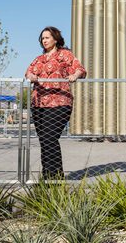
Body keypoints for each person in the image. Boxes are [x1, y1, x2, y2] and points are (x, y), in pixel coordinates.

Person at [25, 26, 86, 179]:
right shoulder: (39, 59)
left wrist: (75, 75)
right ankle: (47, 177)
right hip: (39, 104)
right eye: (42, 38)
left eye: (47, 37)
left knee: (50, 137)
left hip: (60, 103)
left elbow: (80, 69)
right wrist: (31, 75)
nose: (44, 40)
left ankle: (56, 178)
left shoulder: (65, 54)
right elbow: (28, 72)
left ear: (55, 39)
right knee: (44, 141)